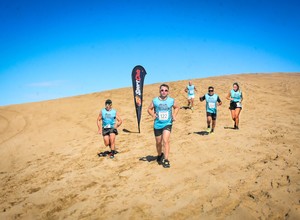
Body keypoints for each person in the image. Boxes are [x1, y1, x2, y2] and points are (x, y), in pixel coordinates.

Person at [148, 84, 180, 168]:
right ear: (159, 91)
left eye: (166, 90)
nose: (164, 92)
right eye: (162, 90)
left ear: (168, 92)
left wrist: (174, 115)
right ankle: (159, 154)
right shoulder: (155, 100)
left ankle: (166, 159)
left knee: (165, 140)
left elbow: (177, 107)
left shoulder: (171, 100)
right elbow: (149, 109)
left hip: (167, 123)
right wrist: (152, 114)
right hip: (157, 124)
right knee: (158, 142)